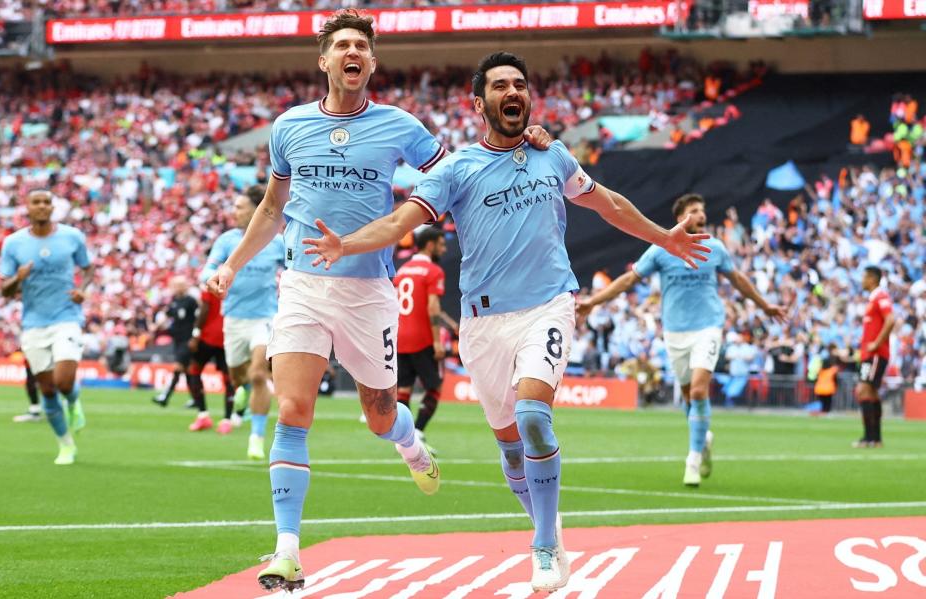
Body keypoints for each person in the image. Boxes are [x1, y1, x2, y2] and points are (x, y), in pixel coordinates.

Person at [303, 51, 710, 593]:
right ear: (480, 103)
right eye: (500, 86)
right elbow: (404, 219)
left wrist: (665, 236)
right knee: (511, 447)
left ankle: (542, 544)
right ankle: (549, 526)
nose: (513, 91)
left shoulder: (554, 155)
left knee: (534, 417)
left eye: (520, 83)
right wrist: (346, 244)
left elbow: (606, 203)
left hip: (548, 306)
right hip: (482, 325)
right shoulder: (456, 170)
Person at [206, 13, 552, 593]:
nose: (351, 51)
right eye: (341, 44)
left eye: (361, 46)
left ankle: (413, 447)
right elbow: (270, 208)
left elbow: (459, 173)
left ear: (372, 62)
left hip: (368, 291)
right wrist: (231, 263)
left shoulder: (399, 125)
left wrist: (526, 144)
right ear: (324, 61)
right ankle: (287, 551)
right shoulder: (289, 127)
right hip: (302, 286)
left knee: (380, 416)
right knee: (293, 411)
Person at [577, 193, 786, 487]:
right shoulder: (661, 250)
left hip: (708, 327)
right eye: (694, 211)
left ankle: (693, 458)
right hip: (675, 332)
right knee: (690, 399)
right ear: (680, 219)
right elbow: (628, 280)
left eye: (702, 210)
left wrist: (765, 306)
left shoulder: (715, 248)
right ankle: (704, 438)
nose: (701, 215)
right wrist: (593, 302)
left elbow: (737, 279)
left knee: (699, 392)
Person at [0, 190, 94, 465]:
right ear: (27, 207)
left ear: (52, 207)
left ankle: (74, 401)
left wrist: (82, 289)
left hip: (66, 316)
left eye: (46, 202)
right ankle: (66, 446)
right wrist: (18, 277)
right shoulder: (13, 243)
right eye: (36, 202)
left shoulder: (72, 236)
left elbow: (88, 269)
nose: (41, 206)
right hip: (34, 324)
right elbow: (4, 290)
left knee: (64, 382)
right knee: (48, 390)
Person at [202, 185, 284, 458]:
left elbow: (295, 269)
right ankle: (243, 389)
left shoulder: (277, 243)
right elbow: (208, 269)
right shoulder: (226, 241)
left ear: (254, 209)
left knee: (259, 373)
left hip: (265, 317)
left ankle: (256, 438)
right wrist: (210, 280)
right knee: (238, 376)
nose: (234, 212)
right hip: (234, 319)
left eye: (239, 207)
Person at [393, 227, 448, 454]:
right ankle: (418, 431)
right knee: (435, 387)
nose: (444, 249)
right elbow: (432, 306)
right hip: (422, 337)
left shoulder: (403, 269)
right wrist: (437, 341)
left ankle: (404, 439)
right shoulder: (433, 271)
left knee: (403, 388)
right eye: (441, 244)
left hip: (400, 336)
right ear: (430, 244)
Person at [186, 285, 238, 434]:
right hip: (229, 336)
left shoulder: (212, 282)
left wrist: (196, 333)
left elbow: (205, 309)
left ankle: (203, 415)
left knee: (194, 371)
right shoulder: (238, 283)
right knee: (229, 379)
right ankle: (227, 420)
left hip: (208, 336)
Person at [853, 266, 895, 448]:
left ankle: (869, 437)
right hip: (869, 354)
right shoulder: (872, 299)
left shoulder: (880, 296)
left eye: (864, 276)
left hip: (875, 354)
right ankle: (874, 438)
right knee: (871, 392)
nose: (862, 280)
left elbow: (891, 320)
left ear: (872, 279)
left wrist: (876, 344)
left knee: (863, 390)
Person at [151, 276, 199, 408]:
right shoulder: (174, 301)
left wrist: (196, 336)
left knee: (178, 367)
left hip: (187, 340)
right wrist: (156, 326)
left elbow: (198, 318)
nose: (174, 288)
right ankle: (196, 399)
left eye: (177, 285)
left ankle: (165, 396)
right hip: (177, 340)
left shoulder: (191, 301)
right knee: (187, 370)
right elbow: (167, 315)